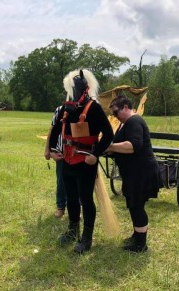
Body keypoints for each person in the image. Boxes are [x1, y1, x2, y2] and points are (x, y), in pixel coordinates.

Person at [49, 69, 114, 254]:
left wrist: (96, 155)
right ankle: (72, 230)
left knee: (86, 199)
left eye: (73, 89)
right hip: (67, 162)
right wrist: (54, 152)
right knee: (71, 198)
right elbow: (54, 131)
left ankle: (86, 237)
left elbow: (109, 134)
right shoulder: (65, 109)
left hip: (85, 163)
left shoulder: (94, 108)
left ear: (84, 89)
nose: (70, 94)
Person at [105, 95, 159, 253]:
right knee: (134, 205)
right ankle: (137, 235)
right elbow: (120, 146)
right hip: (134, 173)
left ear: (126, 107)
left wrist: (111, 147)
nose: (114, 116)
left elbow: (134, 145)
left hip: (141, 173)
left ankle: (141, 245)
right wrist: (109, 150)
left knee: (137, 206)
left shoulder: (134, 121)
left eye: (116, 112)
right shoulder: (125, 123)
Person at [44, 106, 67, 218]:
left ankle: (78, 208)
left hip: (77, 154)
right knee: (61, 181)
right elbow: (52, 129)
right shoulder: (60, 110)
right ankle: (60, 207)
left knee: (78, 183)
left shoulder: (84, 109)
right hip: (61, 153)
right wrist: (48, 149)